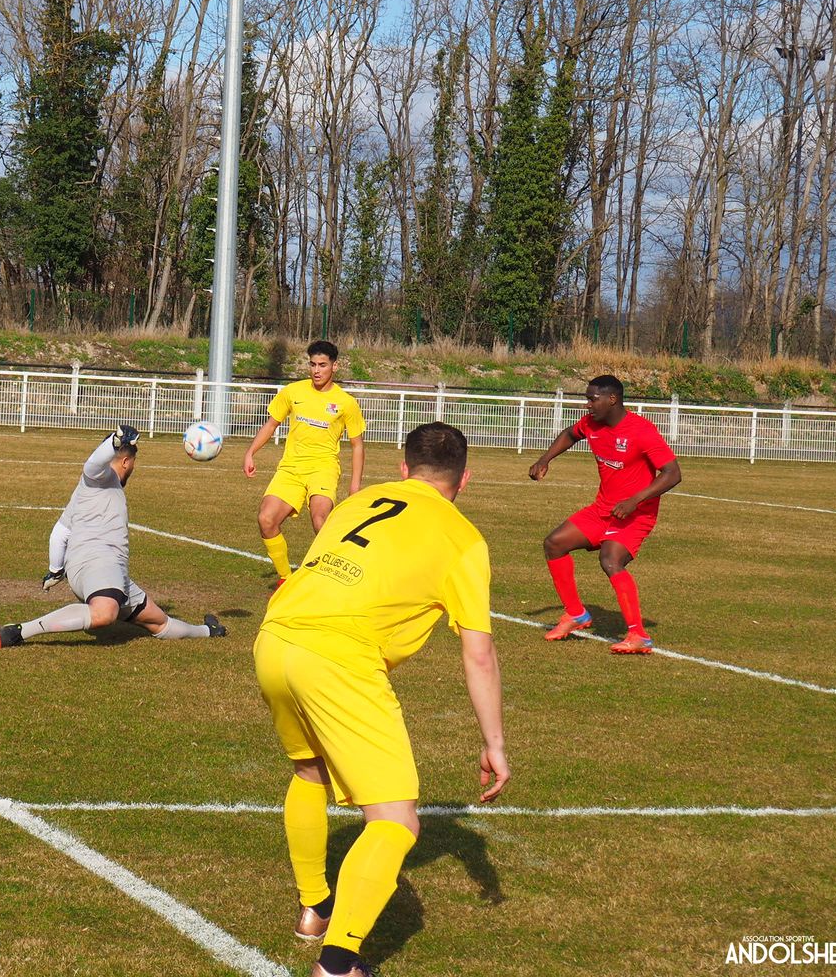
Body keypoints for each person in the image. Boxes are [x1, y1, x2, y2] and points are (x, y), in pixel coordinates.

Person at [254, 422, 508, 977]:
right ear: (464, 480)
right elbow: (479, 653)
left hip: (275, 638)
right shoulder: (463, 538)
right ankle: (337, 965)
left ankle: (315, 909)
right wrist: (494, 742)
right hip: (338, 658)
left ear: (403, 468)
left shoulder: (358, 501)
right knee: (396, 822)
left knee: (309, 770)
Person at [0, 425, 226, 647]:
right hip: (98, 563)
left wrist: (55, 570)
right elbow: (91, 465)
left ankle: (208, 630)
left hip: (107, 571)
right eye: (133, 462)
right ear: (125, 461)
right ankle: (19, 631)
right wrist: (115, 442)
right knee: (104, 613)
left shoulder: (86, 491)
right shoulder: (100, 477)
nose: (133, 467)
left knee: (158, 621)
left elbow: (60, 532)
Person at [529, 374, 682, 655]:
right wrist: (545, 459)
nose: (587, 405)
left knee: (610, 559)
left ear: (612, 399)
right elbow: (570, 434)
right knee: (554, 543)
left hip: (636, 514)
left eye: (592, 399)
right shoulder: (591, 424)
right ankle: (576, 614)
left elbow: (672, 474)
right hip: (603, 510)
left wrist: (635, 500)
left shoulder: (641, 430)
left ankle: (638, 635)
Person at [243, 340, 367, 585]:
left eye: (322, 365)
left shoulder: (346, 402)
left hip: (323, 468)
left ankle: (335, 578)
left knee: (320, 521)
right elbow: (271, 424)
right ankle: (285, 579)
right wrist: (250, 452)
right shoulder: (293, 392)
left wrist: (355, 486)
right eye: (312, 364)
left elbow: (357, 445)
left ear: (334, 366)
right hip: (291, 469)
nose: (316, 370)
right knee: (266, 519)